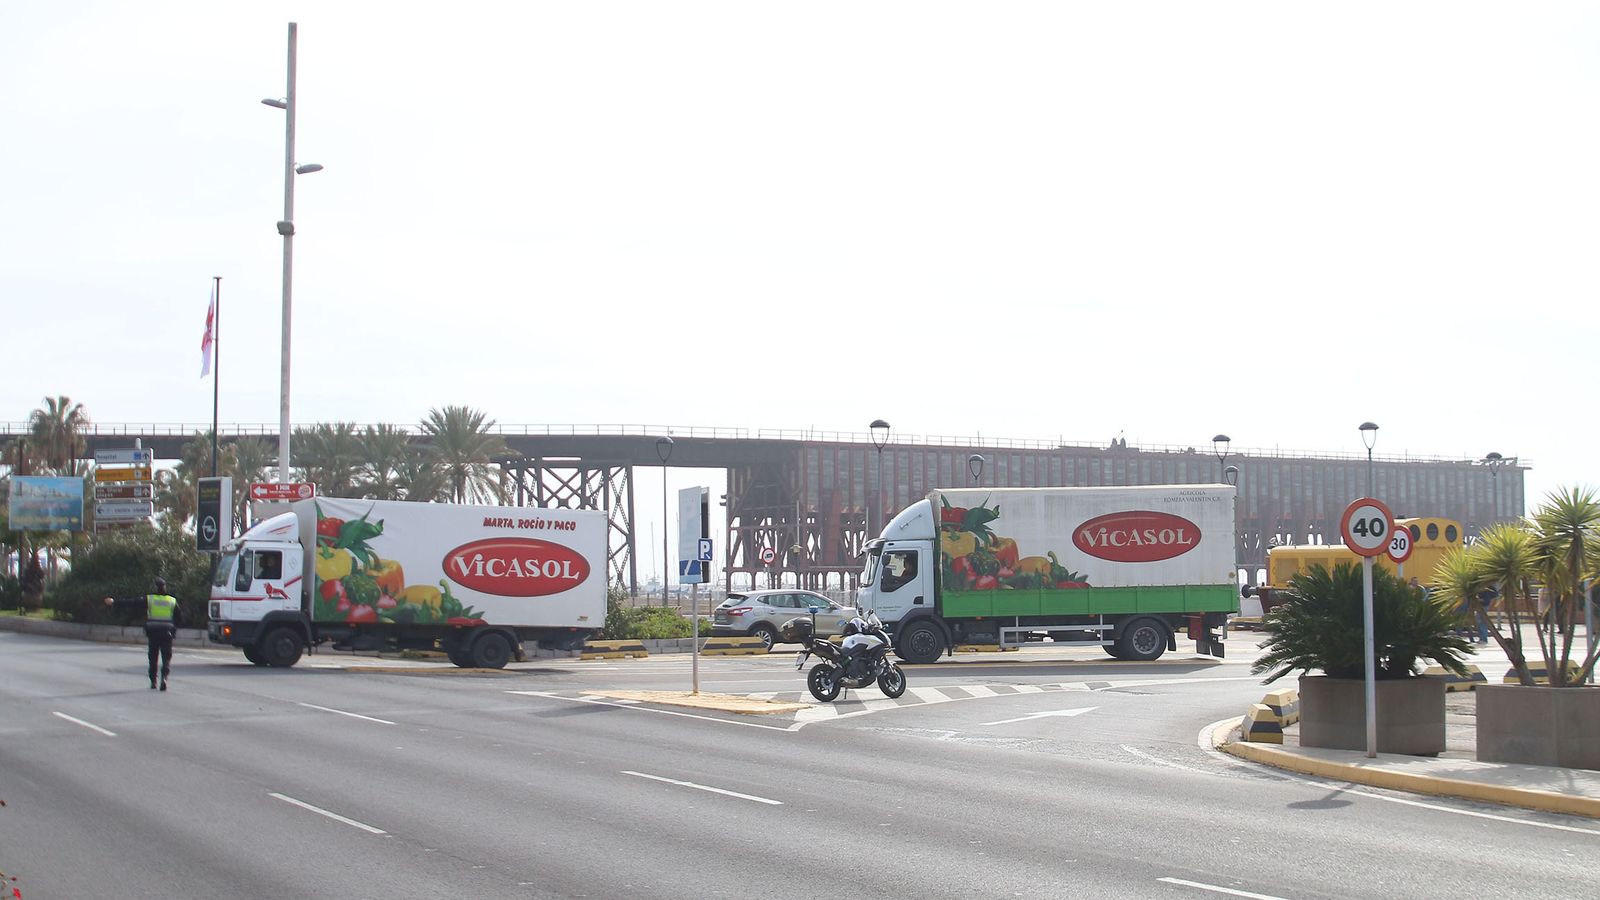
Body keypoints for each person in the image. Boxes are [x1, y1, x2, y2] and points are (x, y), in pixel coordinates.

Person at [105, 577, 184, 690]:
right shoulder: (172, 600)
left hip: (153, 632)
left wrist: (114, 602)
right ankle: (164, 678)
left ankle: (153, 682)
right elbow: (180, 618)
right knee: (166, 657)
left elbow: (132, 603)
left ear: (155, 588)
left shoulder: (150, 599)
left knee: (153, 657)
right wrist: (173, 629)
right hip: (167, 633)